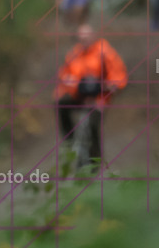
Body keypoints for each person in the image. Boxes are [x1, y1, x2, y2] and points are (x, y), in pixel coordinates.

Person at [54, 23, 128, 169]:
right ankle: (69, 140)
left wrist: (109, 86)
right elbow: (64, 74)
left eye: (87, 36)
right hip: (79, 96)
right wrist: (70, 84)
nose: (84, 40)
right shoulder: (75, 53)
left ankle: (94, 164)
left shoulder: (104, 52)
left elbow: (118, 76)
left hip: (99, 99)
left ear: (93, 36)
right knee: (60, 103)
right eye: (81, 37)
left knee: (93, 124)